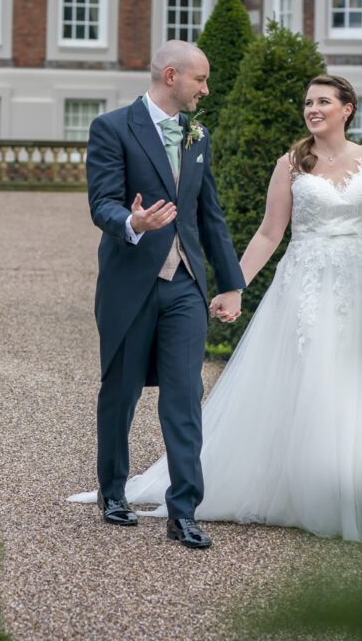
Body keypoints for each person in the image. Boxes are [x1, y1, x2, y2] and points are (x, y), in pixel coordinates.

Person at [77, 74, 362, 541]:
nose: (313, 108)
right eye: (308, 102)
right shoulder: (290, 164)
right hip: (308, 283)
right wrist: (235, 286)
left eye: (324, 101)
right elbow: (268, 232)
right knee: (317, 382)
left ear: (348, 108)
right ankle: (312, 491)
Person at [70, 40, 246, 549]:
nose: (206, 90)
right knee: (121, 393)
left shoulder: (198, 134)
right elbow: (101, 202)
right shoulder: (111, 128)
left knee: (185, 397)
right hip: (130, 284)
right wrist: (133, 220)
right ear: (171, 76)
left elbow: (208, 214)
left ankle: (184, 509)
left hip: (185, 287)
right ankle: (113, 492)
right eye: (200, 80)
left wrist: (231, 283)